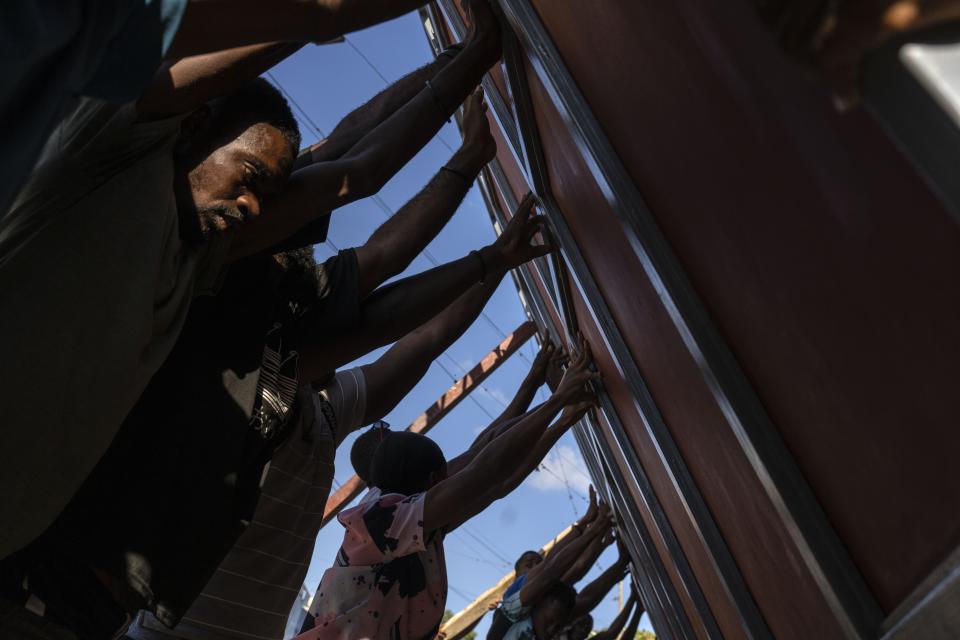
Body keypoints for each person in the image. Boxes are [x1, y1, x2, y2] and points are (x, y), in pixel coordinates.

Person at [0, 0, 501, 563]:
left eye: (266, 194)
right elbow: (303, 23)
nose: (252, 205)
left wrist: (476, 58)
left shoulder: (195, 263)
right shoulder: (104, 155)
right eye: (250, 179)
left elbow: (357, 174)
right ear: (192, 129)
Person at [297, 343, 600, 640]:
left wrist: (551, 401)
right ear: (432, 478)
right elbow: (486, 469)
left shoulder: (410, 519)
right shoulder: (382, 519)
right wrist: (557, 403)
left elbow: (489, 469)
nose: (451, 475)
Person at [555, 583, 643, 640]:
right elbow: (612, 633)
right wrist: (633, 602)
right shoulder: (554, 631)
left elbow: (611, 633)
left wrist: (636, 606)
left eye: (587, 629)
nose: (583, 630)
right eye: (581, 625)